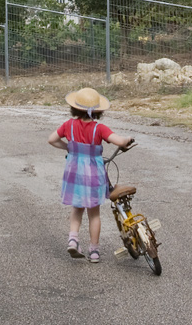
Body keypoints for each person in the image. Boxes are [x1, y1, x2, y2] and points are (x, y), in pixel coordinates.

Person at [48, 87, 132, 262]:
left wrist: (69, 147)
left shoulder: (68, 125)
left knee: (77, 208)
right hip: (93, 174)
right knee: (94, 214)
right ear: (98, 111)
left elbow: (52, 139)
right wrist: (127, 140)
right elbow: (119, 141)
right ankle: (94, 251)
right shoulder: (99, 128)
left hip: (74, 173)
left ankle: (73, 239)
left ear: (74, 108)